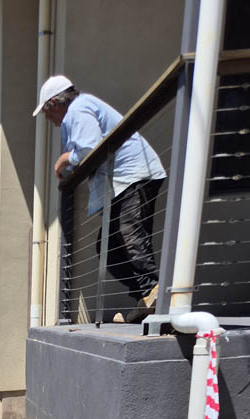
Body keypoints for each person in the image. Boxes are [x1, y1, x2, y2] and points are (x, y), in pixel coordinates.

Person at [35, 75, 166, 323]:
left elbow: (89, 149)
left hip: (134, 176)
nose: (47, 119)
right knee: (109, 248)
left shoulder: (78, 108)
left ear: (54, 102)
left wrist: (64, 160)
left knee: (129, 234)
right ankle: (145, 297)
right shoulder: (79, 110)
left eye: (46, 112)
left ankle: (154, 292)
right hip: (124, 182)